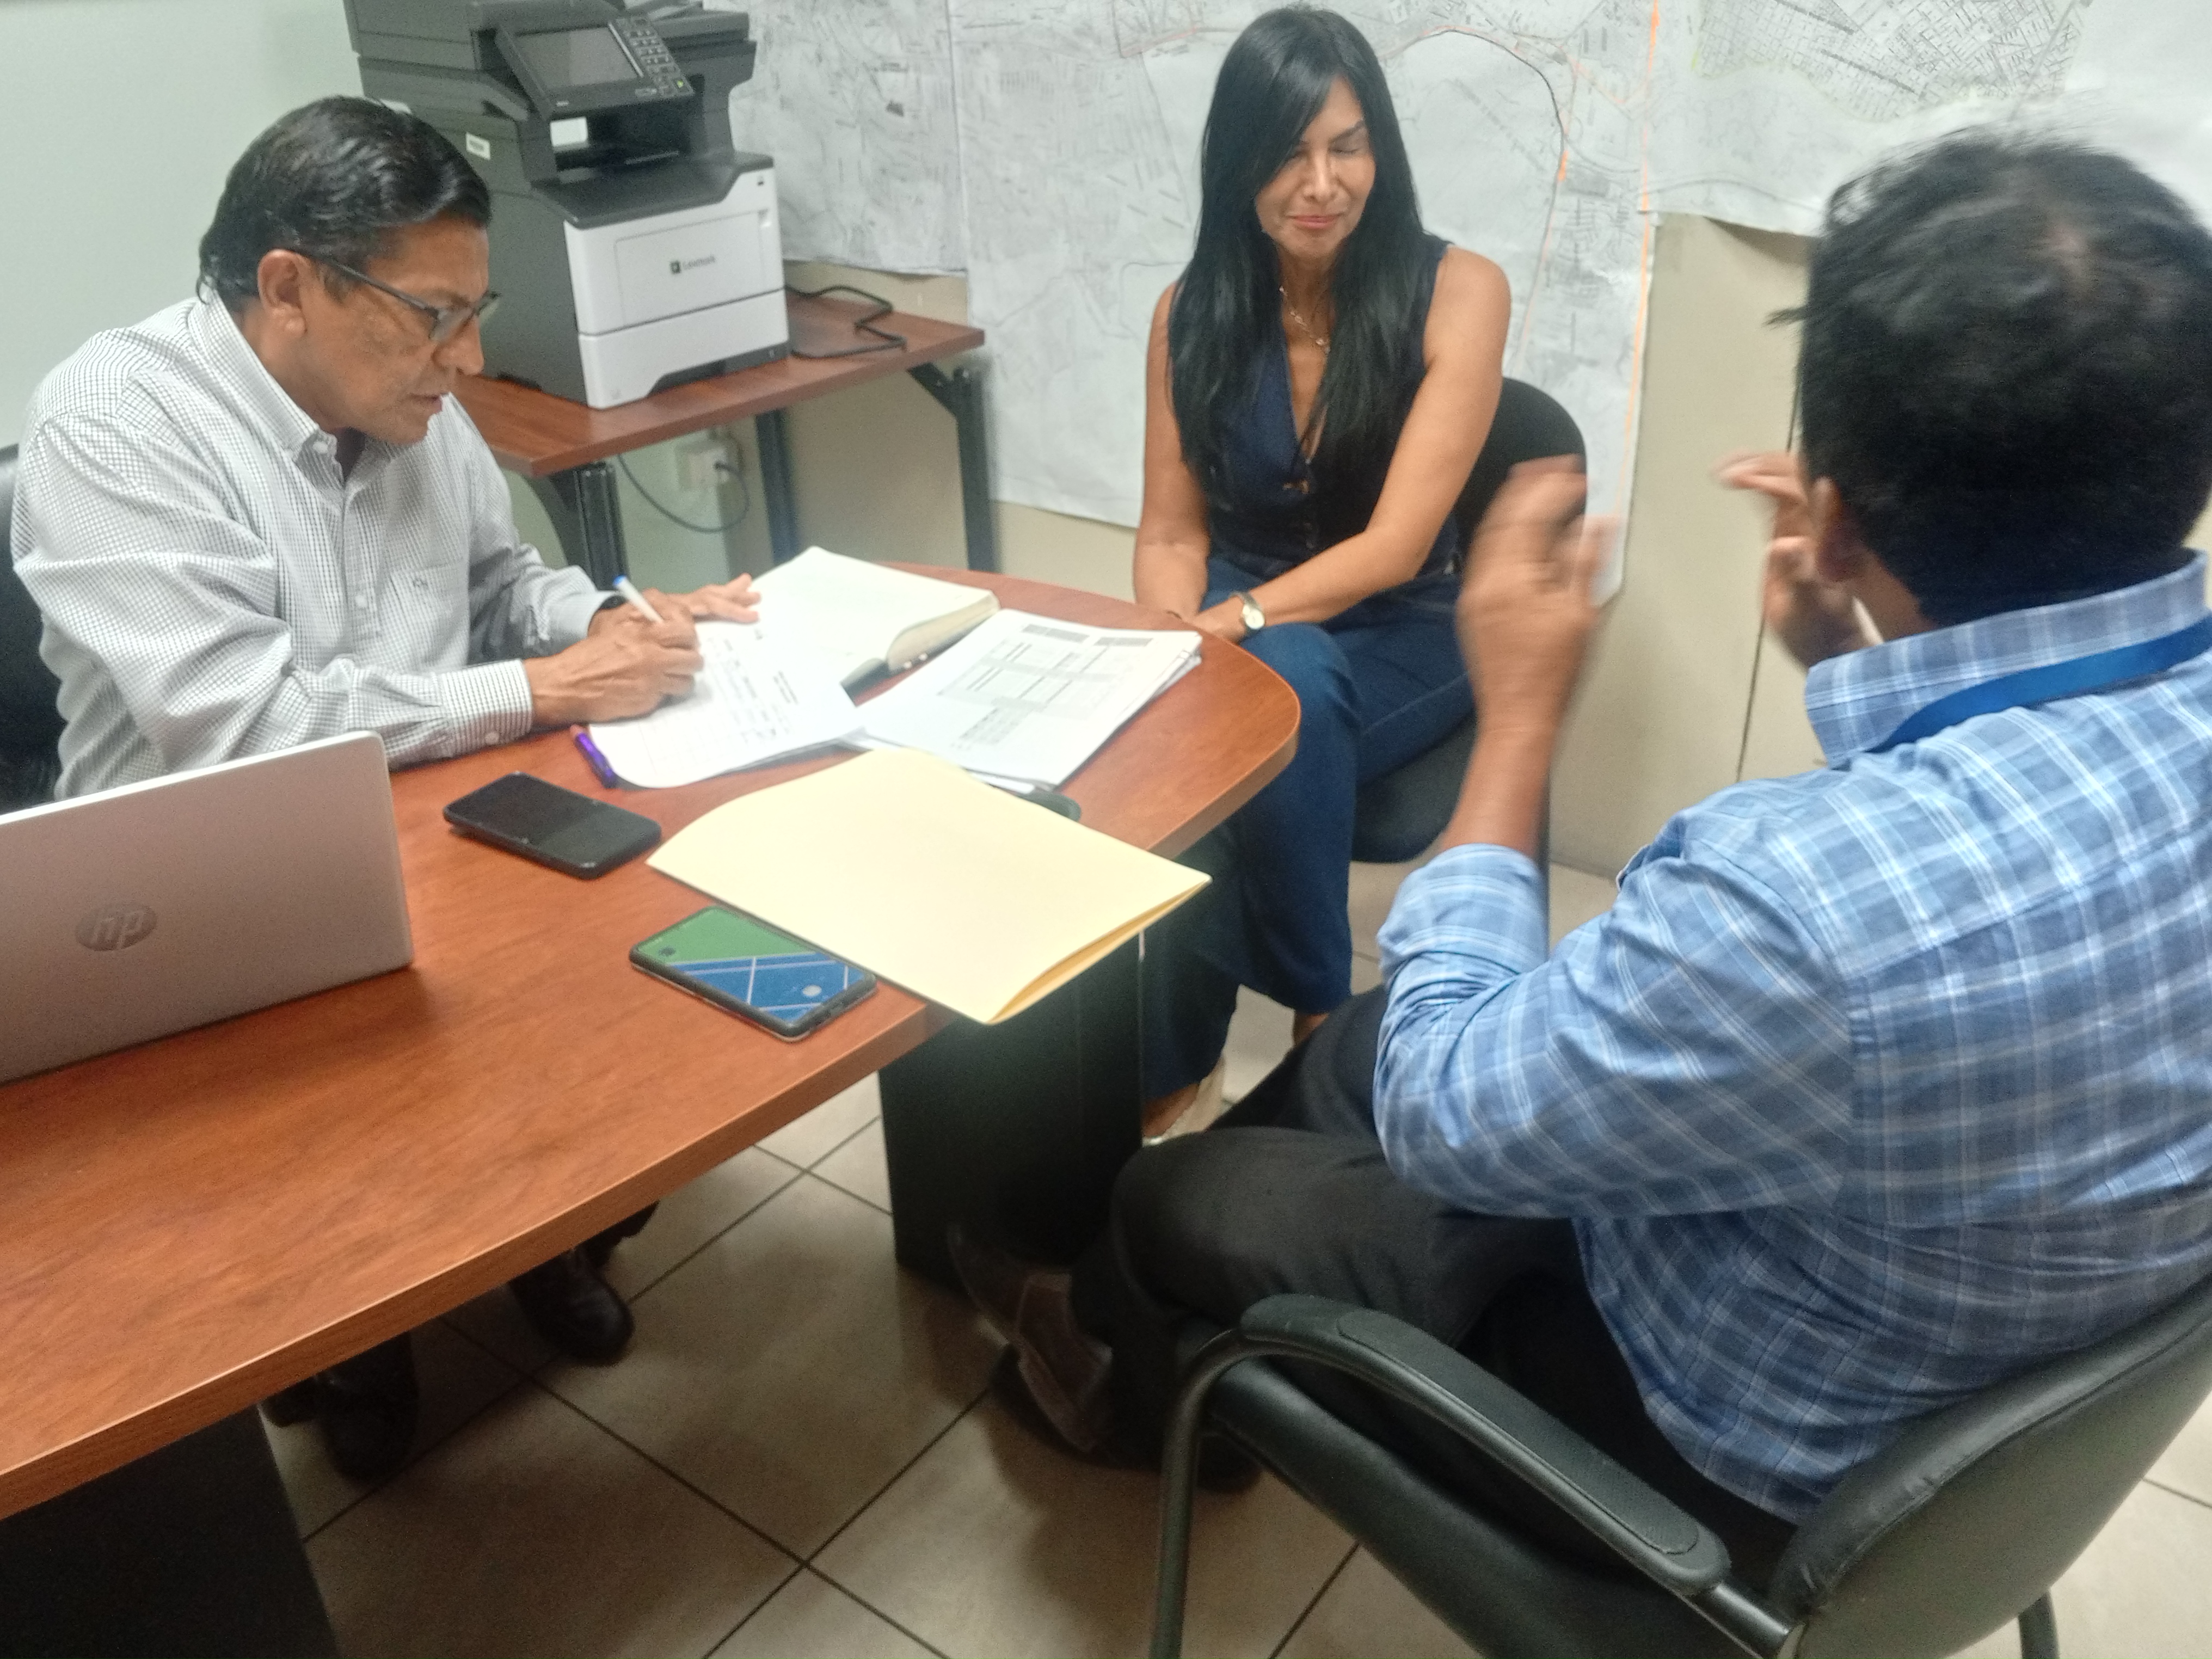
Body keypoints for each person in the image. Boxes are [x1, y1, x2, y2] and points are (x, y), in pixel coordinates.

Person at [954, 131, 2212, 1584]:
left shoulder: (1786, 903)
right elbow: (1971, 867)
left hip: (1720, 1447)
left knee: (1174, 1192)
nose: (1324, 179)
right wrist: (1849, 657)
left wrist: (1520, 720)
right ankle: (1162, 1327)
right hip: (1969, 1366)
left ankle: (1129, 1370)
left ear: (1834, 520)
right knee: (1365, 1033)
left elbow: (1451, 1110)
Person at [10, 97, 757, 1479]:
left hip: (440, 825)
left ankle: (548, 1239)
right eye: (432, 316)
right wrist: (545, 690)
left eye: (476, 314)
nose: (464, 360)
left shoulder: (418, 400)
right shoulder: (115, 420)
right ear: (288, 286)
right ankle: (351, 1338)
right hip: (205, 898)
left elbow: (500, 584)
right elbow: (250, 731)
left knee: (641, 1034)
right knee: (329, 1165)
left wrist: (616, 621)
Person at [1130, 7, 1509, 1124]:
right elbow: (1170, 535)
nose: (1321, 184)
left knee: (1271, 692)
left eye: (1347, 147)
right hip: (1235, 612)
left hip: (1405, 621)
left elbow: (1394, 547)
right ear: (1236, 163)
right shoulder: (1187, 313)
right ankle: (1310, 1024)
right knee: (1216, 722)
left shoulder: (1461, 290)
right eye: (1288, 153)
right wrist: (1173, 641)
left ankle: (1260, 1031)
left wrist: (1226, 629)